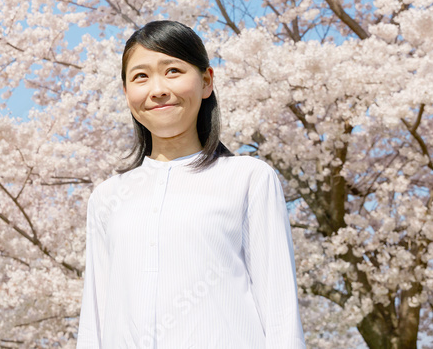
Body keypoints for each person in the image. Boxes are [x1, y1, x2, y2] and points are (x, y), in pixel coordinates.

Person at [76, 20, 306, 349]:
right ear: (127, 93)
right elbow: (94, 320)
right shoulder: (107, 197)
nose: (157, 89)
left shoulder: (248, 178)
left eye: (173, 70)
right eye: (140, 76)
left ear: (206, 81)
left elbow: (280, 309)